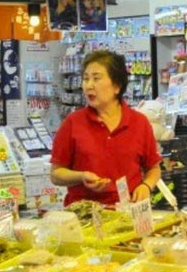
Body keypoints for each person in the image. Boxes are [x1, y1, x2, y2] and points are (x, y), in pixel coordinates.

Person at [51, 49, 162, 205]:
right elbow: (56, 174)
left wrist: (146, 186)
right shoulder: (72, 123)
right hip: (85, 216)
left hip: (129, 212)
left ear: (116, 86)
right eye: (86, 78)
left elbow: (154, 169)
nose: (89, 85)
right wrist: (81, 176)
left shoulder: (139, 122)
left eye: (96, 79)